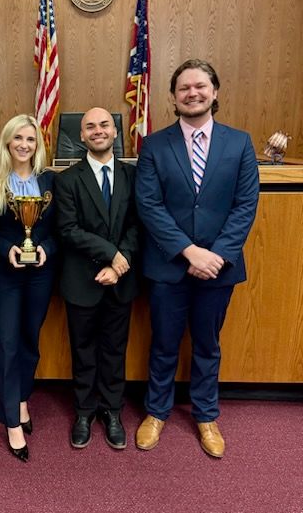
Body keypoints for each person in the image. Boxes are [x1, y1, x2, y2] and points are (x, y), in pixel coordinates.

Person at [135, 59, 259, 458]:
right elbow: (149, 205)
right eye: (184, 87)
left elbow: (245, 206)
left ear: (214, 91)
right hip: (168, 265)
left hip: (218, 270)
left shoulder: (240, 143)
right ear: (173, 97)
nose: (193, 93)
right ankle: (156, 412)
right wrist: (189, 252)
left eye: (200, 86)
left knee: (208, 344)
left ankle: (206, 415)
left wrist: (216, 257)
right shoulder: (154, 145)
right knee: (164, 343)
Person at [54, 107, 139, 450]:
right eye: (90, 126)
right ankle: (85, 411)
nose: (98, 130)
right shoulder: (66, 179)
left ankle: (113, 410)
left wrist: (120, 263)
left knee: (115, 350)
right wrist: (110, 254)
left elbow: (138, 224)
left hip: (122, 278)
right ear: (81, 136)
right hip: (82, 280)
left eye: (105, 124)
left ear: (116, 132)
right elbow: (68, 230)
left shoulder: (133, 175)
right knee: (83, 350)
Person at [0, 115, 57, 462]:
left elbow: (63, 229)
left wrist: (45, 249)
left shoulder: (50, 181)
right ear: (7, 142)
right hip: (4, 275)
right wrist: (2, 248)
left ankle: (23, 398)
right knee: (7, 345)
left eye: (31, 139)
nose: (24, 145)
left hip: (41, 273)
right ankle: (11, 420)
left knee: (29, 340)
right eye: (18, 139)